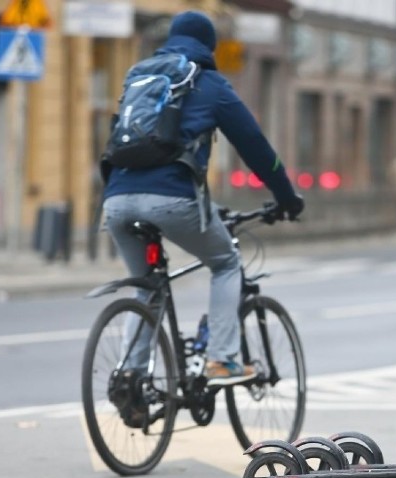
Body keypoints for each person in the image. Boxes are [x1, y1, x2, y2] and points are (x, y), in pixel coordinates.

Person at [102, 11, 304, 387]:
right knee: (226, 262)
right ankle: (222, 361)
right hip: (173, 199)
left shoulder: (139, 76)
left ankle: (129, 379)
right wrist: (286, 196)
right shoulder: (210, 84)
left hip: (116, 198)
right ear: (208, 46)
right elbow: (256, 148)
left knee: (143, 283)